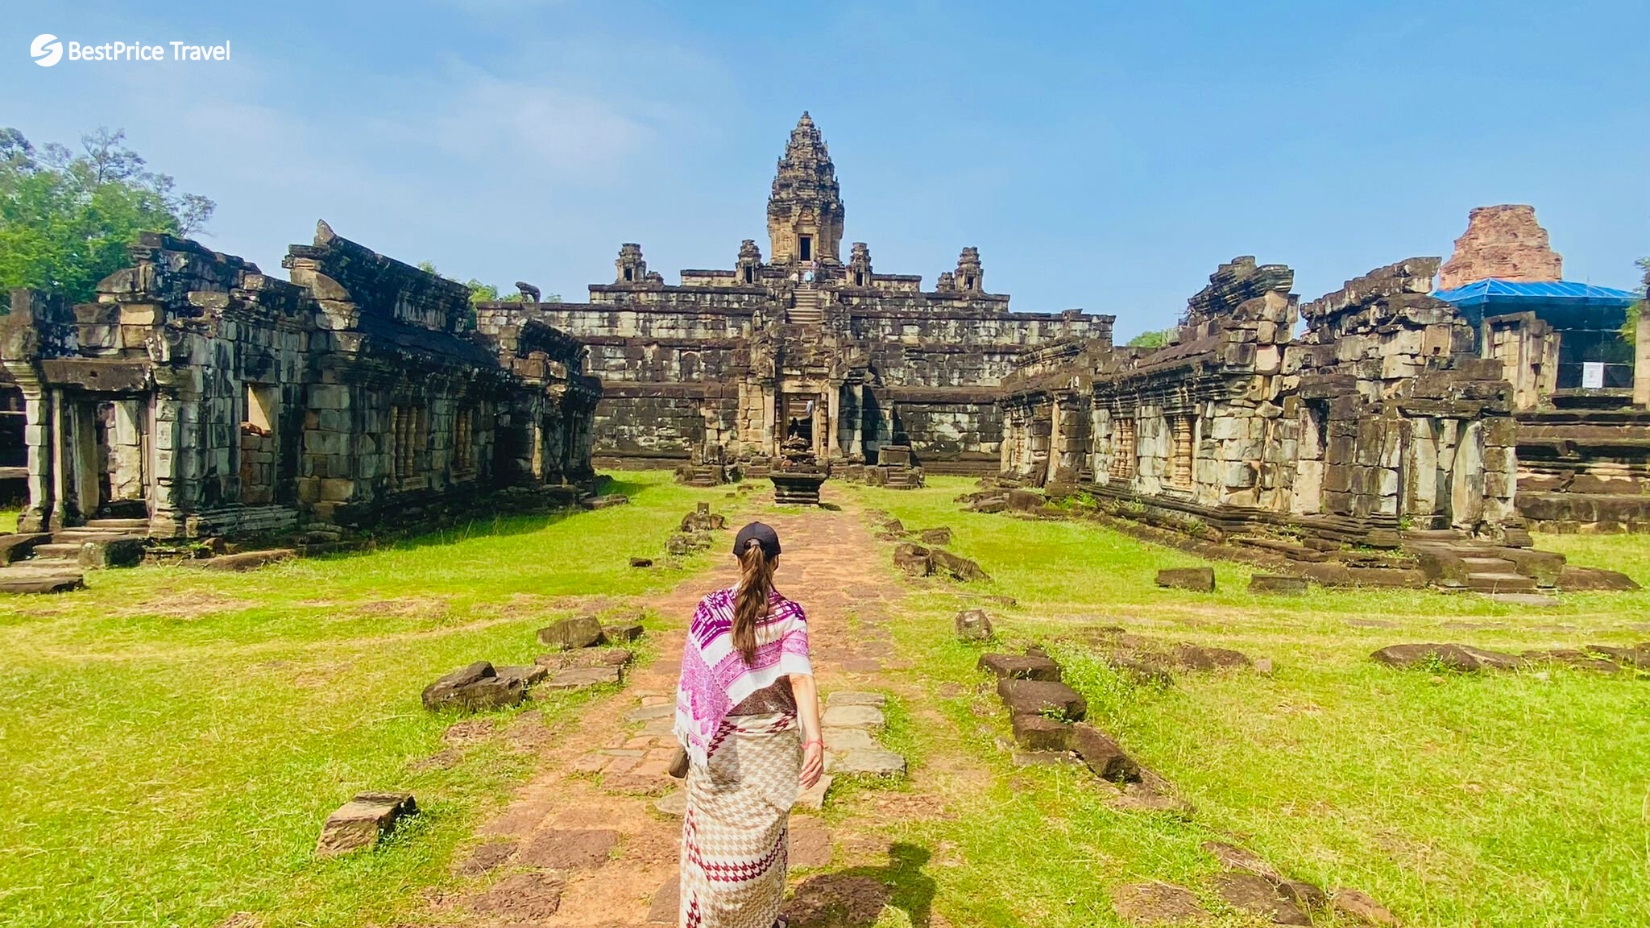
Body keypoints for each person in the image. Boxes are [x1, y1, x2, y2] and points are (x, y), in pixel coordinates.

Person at [673, 521, 823, 928]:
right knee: (764, 849)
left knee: (711, 848)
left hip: (720, 747)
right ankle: (761, 919)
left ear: (737, 561)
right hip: (772, 750)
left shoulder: (709, 610)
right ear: (776, 562)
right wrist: (814, 741)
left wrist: (694, 730)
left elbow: (697, 682)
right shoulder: (790, 614)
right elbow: (800, 677)